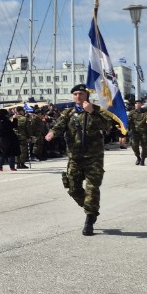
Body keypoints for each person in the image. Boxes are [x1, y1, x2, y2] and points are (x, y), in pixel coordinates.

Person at [44, 84, 109, 235]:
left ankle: (90, 219)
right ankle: (89, 206)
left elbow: (107, 126)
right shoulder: (68, 113)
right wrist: (52, 133)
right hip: (75, 157)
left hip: (94, 157)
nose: (78, 97)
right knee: (73, 188)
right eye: (75, 94)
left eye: (80, 94)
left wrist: (92, 112)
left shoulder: (98, 111)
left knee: (92, 187)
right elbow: (59, 126)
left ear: (87, 95)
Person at [128, 100, 147, 165]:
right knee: (134, 145)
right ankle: (138, 157)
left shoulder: (145, 112)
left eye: (139, 103)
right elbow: (128, 120)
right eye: (136, 103)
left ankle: (143, 159)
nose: (137, 104)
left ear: (141, 104)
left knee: (144, 146)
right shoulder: (132, 112)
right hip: (134, 131)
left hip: (144, 132)